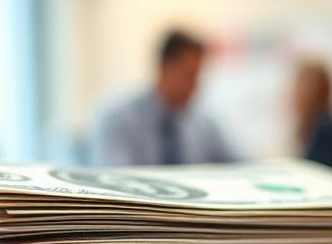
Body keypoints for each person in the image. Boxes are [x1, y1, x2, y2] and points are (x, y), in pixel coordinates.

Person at [91, 29, 233, 166]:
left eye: (198, 76)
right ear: (163, 68)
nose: (195, 87)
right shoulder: (117, 118)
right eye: (189, 75)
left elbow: (241, 164)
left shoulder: (204, 125)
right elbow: (116, 180)